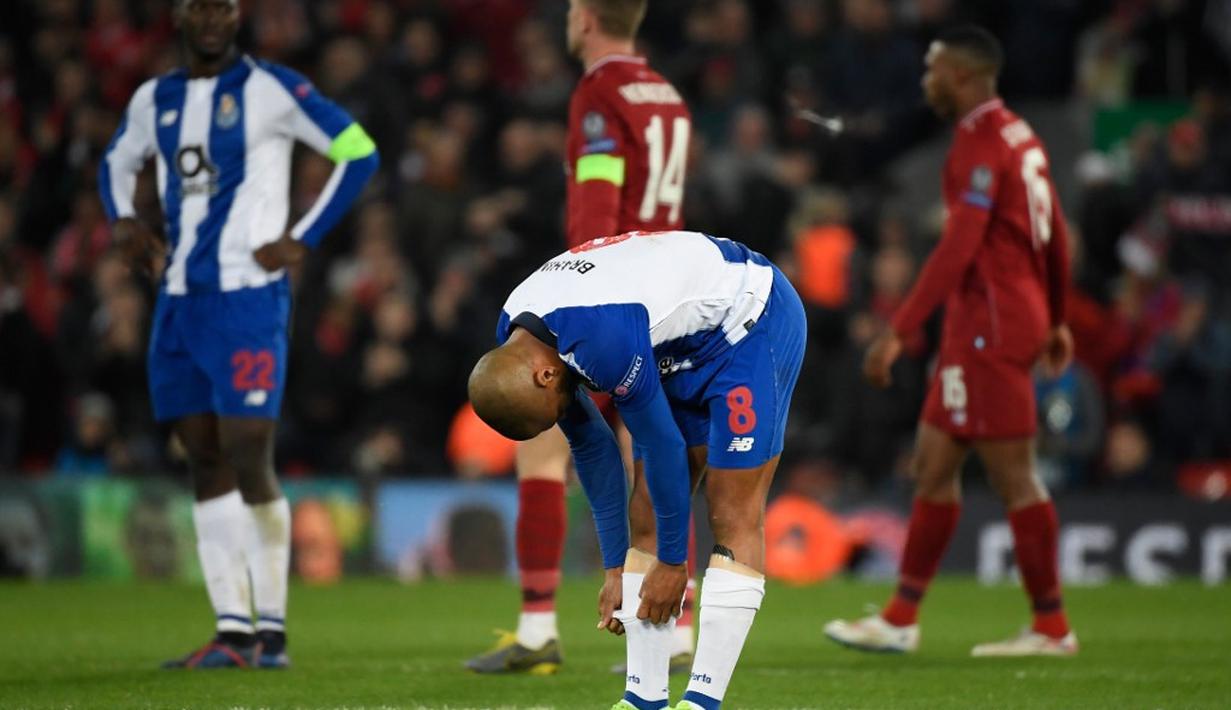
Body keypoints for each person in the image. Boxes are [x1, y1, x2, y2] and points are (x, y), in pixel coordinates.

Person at [98, 0, 378, 669]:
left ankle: (272, 633)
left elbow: (357, 151)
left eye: (225, 5)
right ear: (180, 15)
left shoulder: (271, 88)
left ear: (239, 14)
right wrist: (120, 218)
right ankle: (232, 631)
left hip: (248, 300)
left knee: (248, 448)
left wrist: (301, 236)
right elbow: (115, 158)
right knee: (201, 456)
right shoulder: (154, 98)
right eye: (201, 5)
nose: (214, 17)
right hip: (178, 302)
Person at [469, 230, 806, 710]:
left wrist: (673, 563)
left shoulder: (598, 338)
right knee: (645, 509)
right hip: (679, 344)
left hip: (749, 325)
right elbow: (592, 449)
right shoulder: (519, 336)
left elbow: (660, 443)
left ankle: (702, 701)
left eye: (552, 412)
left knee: (731, 509)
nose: (563, 413)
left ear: (546, 376)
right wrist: (613, 567)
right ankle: (642, 699)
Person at [823, 26, 1078, 657]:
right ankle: (900, 617)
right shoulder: (1018, 133)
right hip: (990, 322)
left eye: (932, 68)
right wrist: (1056, 315)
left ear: (961, 76)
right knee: (932, 466)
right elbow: (1055, 233)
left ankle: (1051, 627)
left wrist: (898, 330)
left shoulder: (979, 141)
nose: (924, 79)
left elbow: (960, 246)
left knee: (1015, 478)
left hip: (989, 324)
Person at [465, 0, 695, 676]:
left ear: (586, 17)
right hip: (667, 293)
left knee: (538, 442)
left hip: (609, 297)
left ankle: (538, 627)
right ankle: (674, 628)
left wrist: (574, 292)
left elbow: (596, 216)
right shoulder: (665, 94)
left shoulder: (599, 91)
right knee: (654, 448)